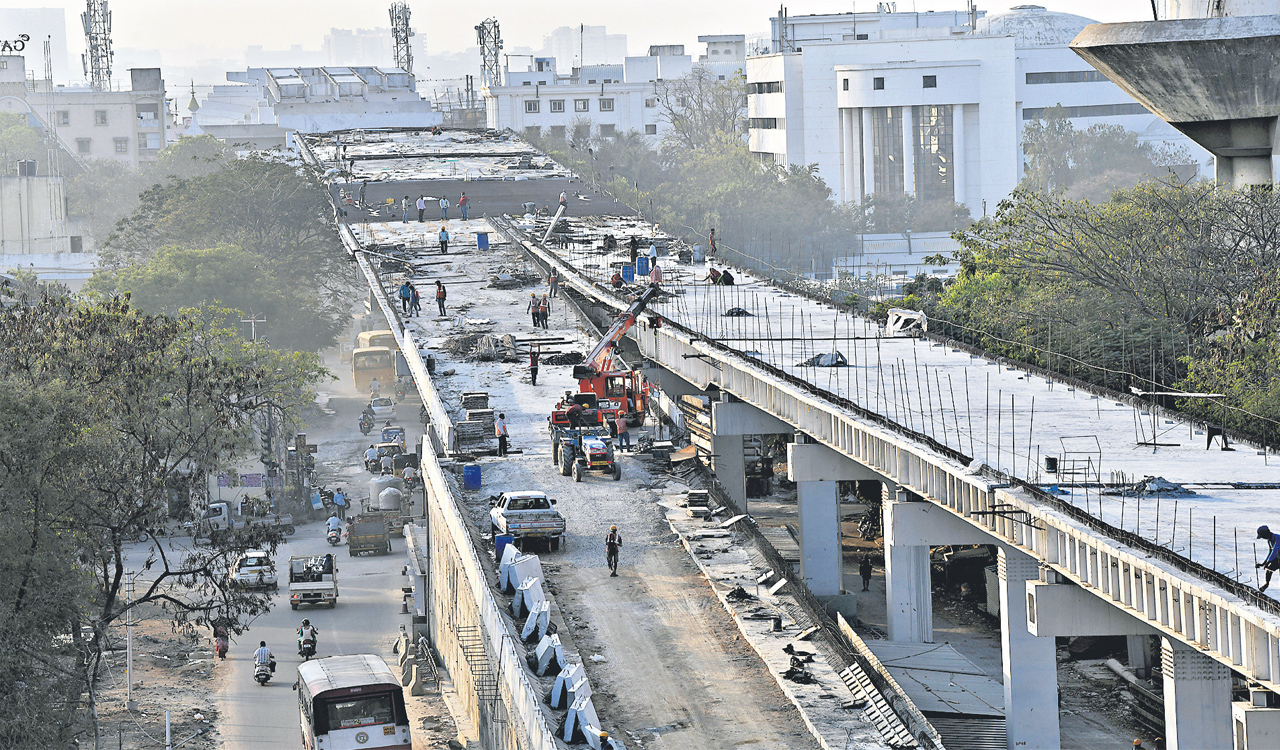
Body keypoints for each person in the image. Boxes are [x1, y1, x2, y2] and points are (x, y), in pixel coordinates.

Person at [1258, 525, 1280, 592]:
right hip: (1278, 558)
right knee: (1269, 569)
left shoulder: (1278, 538)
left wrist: (1268, 562)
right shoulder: (1269, 540)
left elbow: (1275, 551)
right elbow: (1270, 551)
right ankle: (1267, 583)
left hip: (1278, 556)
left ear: (1266, 534)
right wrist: (1263, 563)